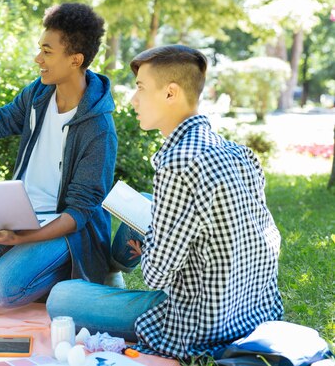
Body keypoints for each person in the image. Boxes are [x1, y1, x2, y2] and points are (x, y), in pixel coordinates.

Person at [46, 45, 284, 359]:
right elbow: (263, 241)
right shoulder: (238, 154)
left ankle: (108, 276)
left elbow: (156, 275)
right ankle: (111, 272)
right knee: (146, 205)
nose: (133, 100)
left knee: (61, 297)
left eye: (141, 88)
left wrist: (154, 243)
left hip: (198, 324)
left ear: (170, 93)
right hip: (252, 311)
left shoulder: (177, 162)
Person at [0, 3, 117, 308]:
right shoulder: (38, 94)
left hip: (65, 234)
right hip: (21, 214)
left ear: (75, 60)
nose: (37, 58)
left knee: (0, 290)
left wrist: (18, 239)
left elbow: (78, 215)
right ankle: (19, 264)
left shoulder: (99, 128)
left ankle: (60, 274)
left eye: (47, 51)